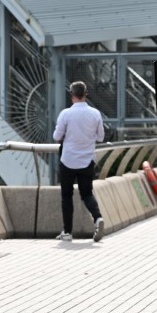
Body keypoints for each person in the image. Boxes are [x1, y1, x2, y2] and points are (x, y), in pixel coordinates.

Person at [53, 80, 106, 242]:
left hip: (68, 160)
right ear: (85, 95)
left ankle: (67, 232)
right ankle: (97, 218)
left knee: (66, 195)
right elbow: (101, 137)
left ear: (71, 96)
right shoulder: (95, 114)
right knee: (87, 193)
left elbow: (56, 137)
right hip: (87, 160)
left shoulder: (66, 114)